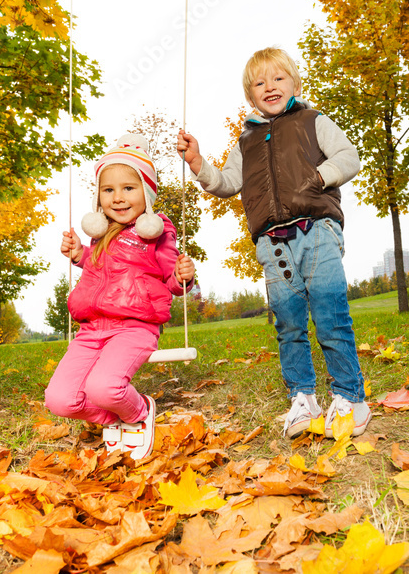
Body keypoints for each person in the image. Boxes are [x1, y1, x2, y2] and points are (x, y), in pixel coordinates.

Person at [176, 47, 370, 440]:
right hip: (273, 244)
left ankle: (350, 397)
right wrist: (199, 164)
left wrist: (320, 176)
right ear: (250, 96)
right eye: (259, 82)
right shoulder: (246, 142)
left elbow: (350, 157)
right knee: (289, 323)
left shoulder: (312, 121)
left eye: (278, 78)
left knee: (330, 315)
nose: (270, 86)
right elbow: (228, 184)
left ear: (295, 84)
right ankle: (303, 398)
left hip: (316, 229)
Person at [44, 134, 195, 460]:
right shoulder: (100, 233)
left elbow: (171, 281)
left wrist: (183, 277)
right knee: (59, 400)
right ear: (99, 197)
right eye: (108, 190)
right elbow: (103, 270)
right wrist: (78, 255)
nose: (118, 197)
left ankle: (138, 412)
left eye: (129, 188)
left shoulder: (155, 233)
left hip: (134, 327)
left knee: (103, 387)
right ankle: (114, 419)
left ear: (147, 192)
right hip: (92, 329)